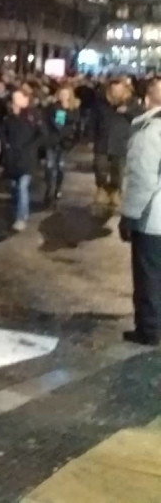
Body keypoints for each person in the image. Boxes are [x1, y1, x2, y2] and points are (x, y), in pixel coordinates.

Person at [119, 77, 161, 346]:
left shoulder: (149, 132)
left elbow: (141, 179)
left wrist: (129, 215)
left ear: (147, 100)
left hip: (152, 217)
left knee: (148, 275)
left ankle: (149, 328)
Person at [0, 89, 45, 232]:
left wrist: (32, 147)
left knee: (22, 186)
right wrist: (6, 146)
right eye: (14, 98)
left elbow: (42, 134)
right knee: (15, 187)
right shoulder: (9, 117)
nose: (15, 101)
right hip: (13, 158)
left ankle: (21, 217)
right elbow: (3, 133)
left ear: (26, 99)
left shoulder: (33, 115)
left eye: (18, 98)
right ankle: (17, 211)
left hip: (27, 157)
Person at [93, 79, 141, 209]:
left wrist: (127, 111)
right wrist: (91, 137)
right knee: (100, 167)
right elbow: (94, 120)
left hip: (121, 141)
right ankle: (102, 189)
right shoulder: (101, 102)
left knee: (118, 170)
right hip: (102, 141)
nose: (116, 93)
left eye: (119, 90)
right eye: (113, 90)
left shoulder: (132, 102)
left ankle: (115, 191)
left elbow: (139, 117)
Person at [43, 85, 81, 205]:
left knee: (60, 166)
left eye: (66, 94)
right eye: (62, 94)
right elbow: (50, 121)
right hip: (53, 140)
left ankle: (57, 188)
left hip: (65, 141)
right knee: (49, 166)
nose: (63, 96)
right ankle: (49, 189)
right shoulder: (53, 107)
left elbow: (76, 123)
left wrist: (74, 138)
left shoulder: (74, 109)